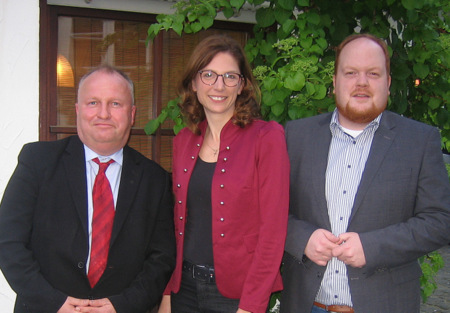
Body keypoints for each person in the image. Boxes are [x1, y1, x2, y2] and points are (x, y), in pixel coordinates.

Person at [280, 33, 450, 313]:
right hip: (306, 304)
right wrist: (301, 237)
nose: (361, 82)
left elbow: (440, 221)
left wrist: (372, 247)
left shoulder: (419, 140)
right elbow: (269, 210)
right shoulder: (296, 136)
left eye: (373, 73)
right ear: (335, 82)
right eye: (351, 73)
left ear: (388, 83)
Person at [0, 65, 176, 313]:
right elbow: (8, 242)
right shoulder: (38, 161)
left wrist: (123, 304)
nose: (103, 113)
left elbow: (162, 257)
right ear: (77, 110)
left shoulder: (154, 179)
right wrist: (54, 303)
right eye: (93, 102)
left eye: (116, 104)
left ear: (132, 113)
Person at [157, 35, 290, 313]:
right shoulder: (184, 140)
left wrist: (252, 306)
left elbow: (272, 234)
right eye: (208, 75)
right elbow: (178, 225)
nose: (219, 86)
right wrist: (169, 292)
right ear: (194, 82)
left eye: (230, 76)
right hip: (185, 290)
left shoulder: (266, 138)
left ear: (242, 85)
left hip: (236, 296)